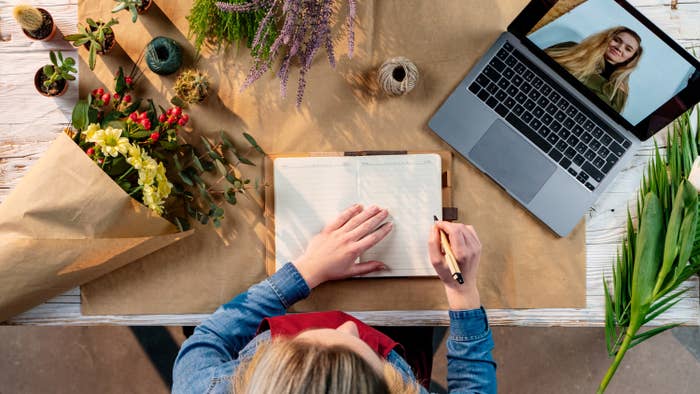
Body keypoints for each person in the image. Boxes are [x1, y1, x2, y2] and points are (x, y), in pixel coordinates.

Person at [172, 204, 496, 393]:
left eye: (301, 343)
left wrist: (305, 271)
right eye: (369, 359)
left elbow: (208, 341)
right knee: (414, 329)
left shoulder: (210, 388)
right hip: (405, 348)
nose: (352, 328)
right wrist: (462, 292)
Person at [545, 26, 643, 113]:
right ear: (607, 38)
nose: (619, 48)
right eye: (616, 40)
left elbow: (606, 119)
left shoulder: (619, 90)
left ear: (631, 58)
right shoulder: (573, 49)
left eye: (628, 49)